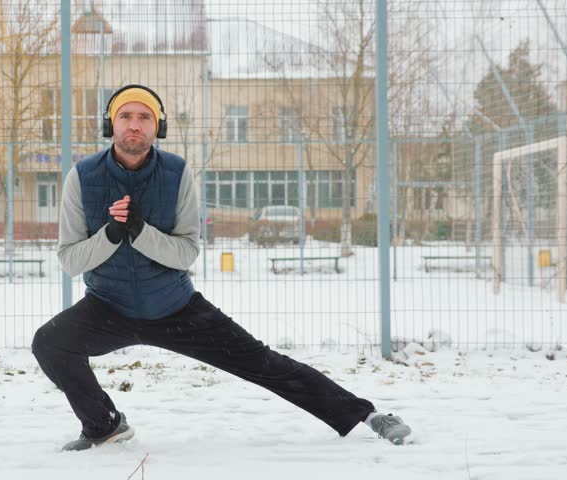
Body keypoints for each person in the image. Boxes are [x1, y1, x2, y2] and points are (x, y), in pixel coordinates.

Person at [31, 84, 412, 451]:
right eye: (126, 116)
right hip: (108, 306)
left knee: (266, 363)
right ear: (110, 124)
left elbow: (185, 253)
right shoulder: (82, 177)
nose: (134, 124)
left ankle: (368, 416)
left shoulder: (176, 173)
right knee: (50, 343)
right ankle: (105, 426)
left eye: (145, 117)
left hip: (174, 308)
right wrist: (112, 234)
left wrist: (141, 232)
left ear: (157, 126)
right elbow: (70, 260)